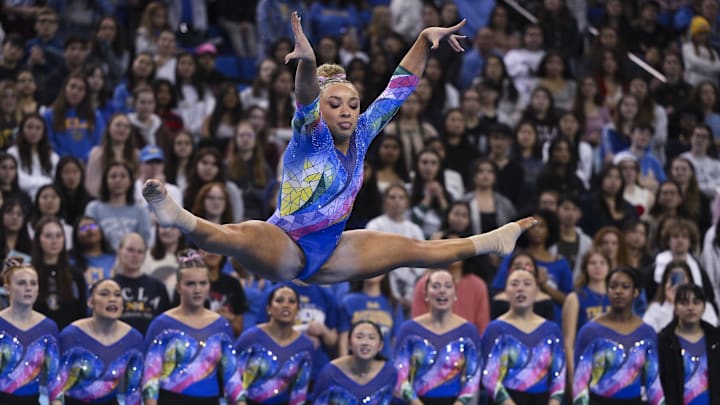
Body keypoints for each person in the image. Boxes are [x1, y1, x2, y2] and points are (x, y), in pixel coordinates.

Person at [142, 12, 535, 284]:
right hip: (287, 246)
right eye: (335, 105)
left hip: (331, 251)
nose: (346, 112)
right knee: (238, 235)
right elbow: (305, 99)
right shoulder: (310, 134)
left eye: (352, 104)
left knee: (413, 249)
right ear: (322, 110)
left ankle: (493, 240)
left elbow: (398, 89)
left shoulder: (363, 131)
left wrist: (423, 39)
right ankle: (178, 218)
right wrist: (308, 64)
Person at [142, 249, 240, 405]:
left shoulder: (221, 325)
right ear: (178, 287)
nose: (197, 290)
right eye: (190, 284)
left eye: (203, 283)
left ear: (209, 285)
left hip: (210, 401)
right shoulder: (161, 324)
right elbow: (150, 376)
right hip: (170, 400)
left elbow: (232, 375)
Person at [573, 267, 666, 405]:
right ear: (607, 291)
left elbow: (654, 383)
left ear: (635, 292)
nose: (618, 291)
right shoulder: (590, 331)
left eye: (625, 287)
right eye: (613, 286)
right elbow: (579, 384)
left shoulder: (647, 333)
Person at [481, 264, 566, 405]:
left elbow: (559, 375)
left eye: (527, 284)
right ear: (506, 292)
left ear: (537, 291)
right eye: (514, 284)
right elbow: (489, 377)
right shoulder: (495, 329)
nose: (520, 289)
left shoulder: (552, 330)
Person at [394, 269, 482, 404]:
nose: (442, 291)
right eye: (435, 286)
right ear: (426, 295)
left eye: (448, 286)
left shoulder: (468, 331)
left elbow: (473, 377)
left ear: (455, 294)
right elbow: (400, 376)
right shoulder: (408, 330)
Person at [51, 279, 144, 405]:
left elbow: (133, 393)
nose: (112, 299)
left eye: (117, 295)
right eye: (104, 294)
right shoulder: (71, 335)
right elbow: (57, 388)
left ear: (122, 304)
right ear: (90, 302)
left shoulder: (134, 339)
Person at [234, 284, 313, 405]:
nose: (286, 305)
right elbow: (232, 378)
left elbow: (299, 392)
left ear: (298, 310)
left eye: (291, 301)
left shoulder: (305, 346)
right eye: (279, 300)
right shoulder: (251, 337)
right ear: (268, 309)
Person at [0, 257, 59, 405]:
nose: (28, 288)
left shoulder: (48, 327)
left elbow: (53, 376)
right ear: (7, 287)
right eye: (21, 283)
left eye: (33, 283)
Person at [658, 283, 720, 405]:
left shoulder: (716, 340)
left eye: (696, 302)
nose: (690, 308)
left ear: (704, 307)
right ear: (675, 307)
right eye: (684, 303)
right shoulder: (664, 341)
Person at [312, 320, 398, 405]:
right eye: (359, 337)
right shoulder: (330, 373)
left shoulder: (390, 373)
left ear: (380, 346)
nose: (365, 343)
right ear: (349, 343)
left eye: (371, 338)